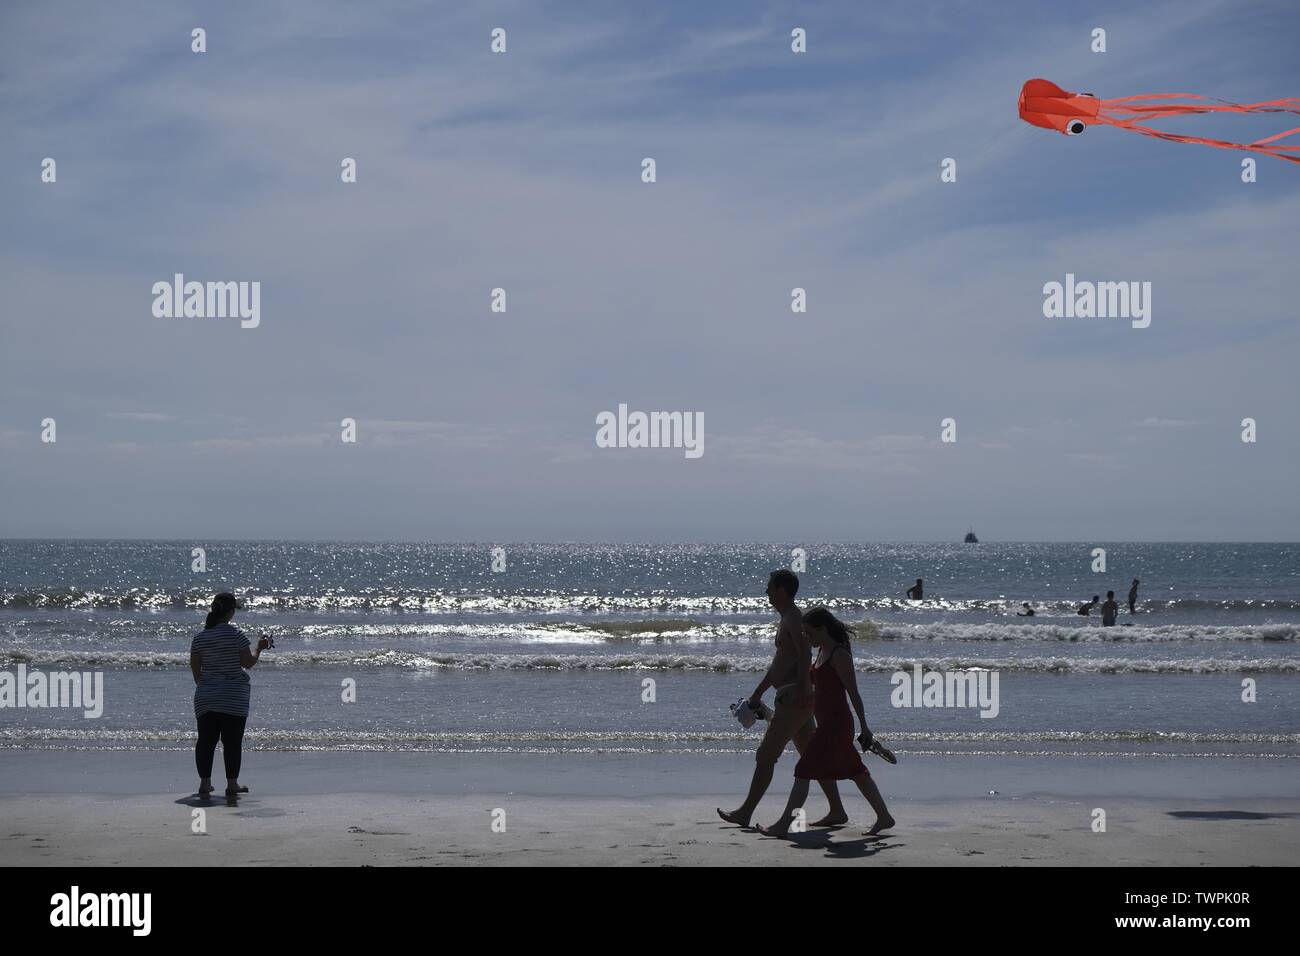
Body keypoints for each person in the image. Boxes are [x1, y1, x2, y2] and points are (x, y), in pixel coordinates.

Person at [718, 571, 846, 828]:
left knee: (766, 756)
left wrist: (801, 689)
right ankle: (837, 810)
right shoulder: (787, 618)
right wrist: (759, 692)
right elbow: (781, 663)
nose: (766, 592)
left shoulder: (794, 617)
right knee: (812, 755)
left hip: (793, 697)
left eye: (770, 588)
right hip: (793, 693)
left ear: (782, 591)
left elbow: (804, 654)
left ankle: (745, 812)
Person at [758, 608, 895, 837]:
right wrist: (789, 689)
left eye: (809, 633)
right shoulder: (822, 651)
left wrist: (865, 727)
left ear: (822, 629)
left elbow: (854, 694)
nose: (806, 639)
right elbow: (816, 684)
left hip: (837, 725)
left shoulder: (839, 655)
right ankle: (884, 817)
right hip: (826, 724)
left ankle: (783, 825)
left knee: (803, 770)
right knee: (856, 771)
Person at [190, 592, 272, 799]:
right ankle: (232, 784)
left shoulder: (200, 637)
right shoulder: (236, 635)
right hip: (233, 697)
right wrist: (259, 648)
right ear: (230, 611)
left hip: (206, 697)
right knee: (232, 742)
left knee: (206, 741)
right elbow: (247, 663)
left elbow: (196, 672)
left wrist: (210, 685)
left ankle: (205, 784)